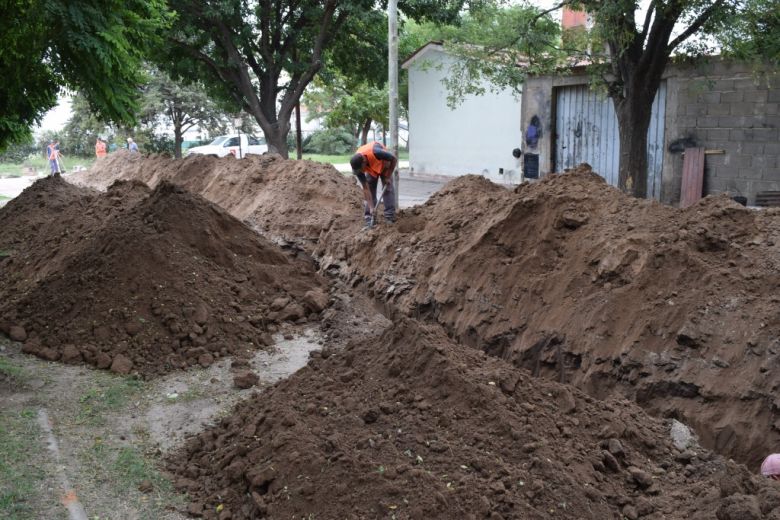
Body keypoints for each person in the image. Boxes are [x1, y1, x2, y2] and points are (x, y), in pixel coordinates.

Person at [350, 141, 397, 227]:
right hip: (371, 169)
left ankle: (390, 217)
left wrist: (388, 175)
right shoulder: (358, 166)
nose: (360, 172)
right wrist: (371, 207)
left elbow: (394, 159)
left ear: (364, 161)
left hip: (385, 165)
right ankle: (369, 217)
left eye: (361, 169)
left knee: (387, 189)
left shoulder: (377, 152)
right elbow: (365, 188)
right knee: (370, 189)